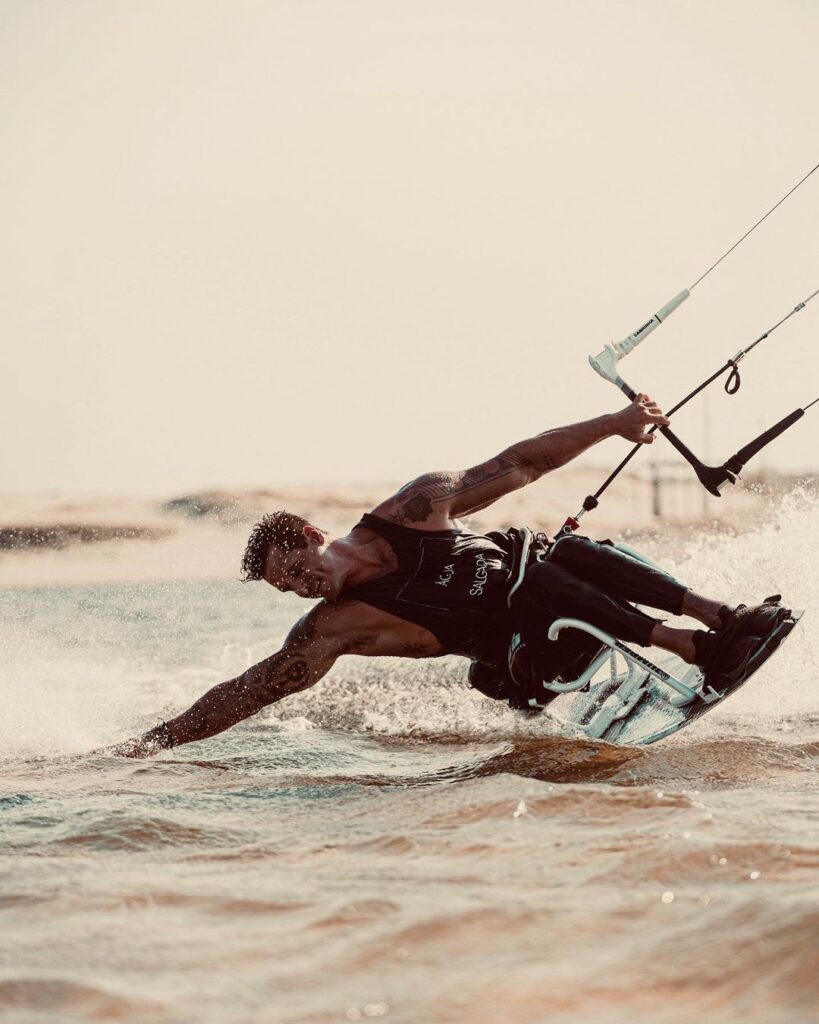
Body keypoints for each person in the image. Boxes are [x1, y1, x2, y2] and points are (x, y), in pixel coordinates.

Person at [108, 396, 788, 757]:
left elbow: (519, 464)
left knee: (556, 550)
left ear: (312, 536)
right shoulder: (336, 628)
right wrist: (160, 738)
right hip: (532, 664)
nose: (302, 587)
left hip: (571, 592)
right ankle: (692, 649)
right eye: (288, 588)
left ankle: (719, 620)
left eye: (298, 569)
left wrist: (615, 423)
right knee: (537, 580)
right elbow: (251, 690)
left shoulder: (417, 507)